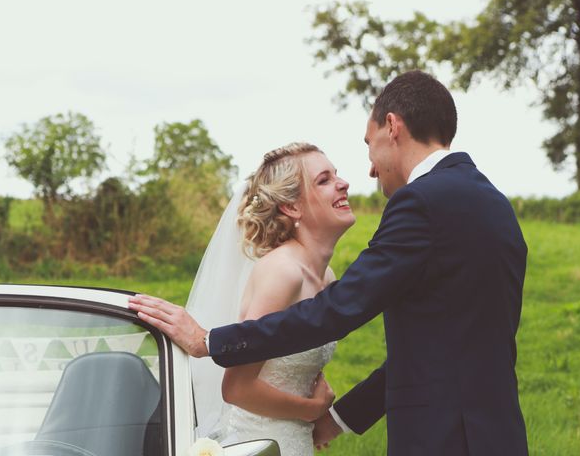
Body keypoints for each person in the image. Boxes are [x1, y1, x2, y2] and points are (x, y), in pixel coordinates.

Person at [130, 70, 529, 455]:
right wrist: (335, 417)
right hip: (499, 436)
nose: (370, 168)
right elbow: (444, 349)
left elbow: (341, 308)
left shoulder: (420, 202)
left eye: (369, 144)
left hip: (442, 441)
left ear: (393, 126)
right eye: (325, 179)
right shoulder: (496, 206)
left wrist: (209, 341)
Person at [134, 142, 356, 456]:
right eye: (324, 180)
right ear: (292, 207)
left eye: (337, 175)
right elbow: (237, 388)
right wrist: (309, 409)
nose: (343, 183)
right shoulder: (282, 272)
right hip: (260, 442)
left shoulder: (326, 275)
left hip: (295, 441)